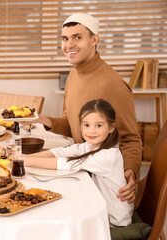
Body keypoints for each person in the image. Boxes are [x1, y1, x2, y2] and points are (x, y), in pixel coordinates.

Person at [23, 13, 142, 203]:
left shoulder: (112, 83)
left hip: (103, 187)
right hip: (83, 169)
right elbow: (72, 126)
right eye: (65, 38)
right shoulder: (73, 75)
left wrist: (130, 172)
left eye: (77, 37)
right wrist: (42, 120)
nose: (69, 45)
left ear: (95, 39)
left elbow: (131, 138)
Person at [25, 99, 133, 227]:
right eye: (86, 125)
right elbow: (62, 152)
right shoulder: (91, 145)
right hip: (102, 209)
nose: (91, 131)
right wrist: (25, 158)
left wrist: (28, 161)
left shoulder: (108, 156)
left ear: (111, 127)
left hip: (114, 222)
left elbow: (67, 163)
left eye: (98, 125)